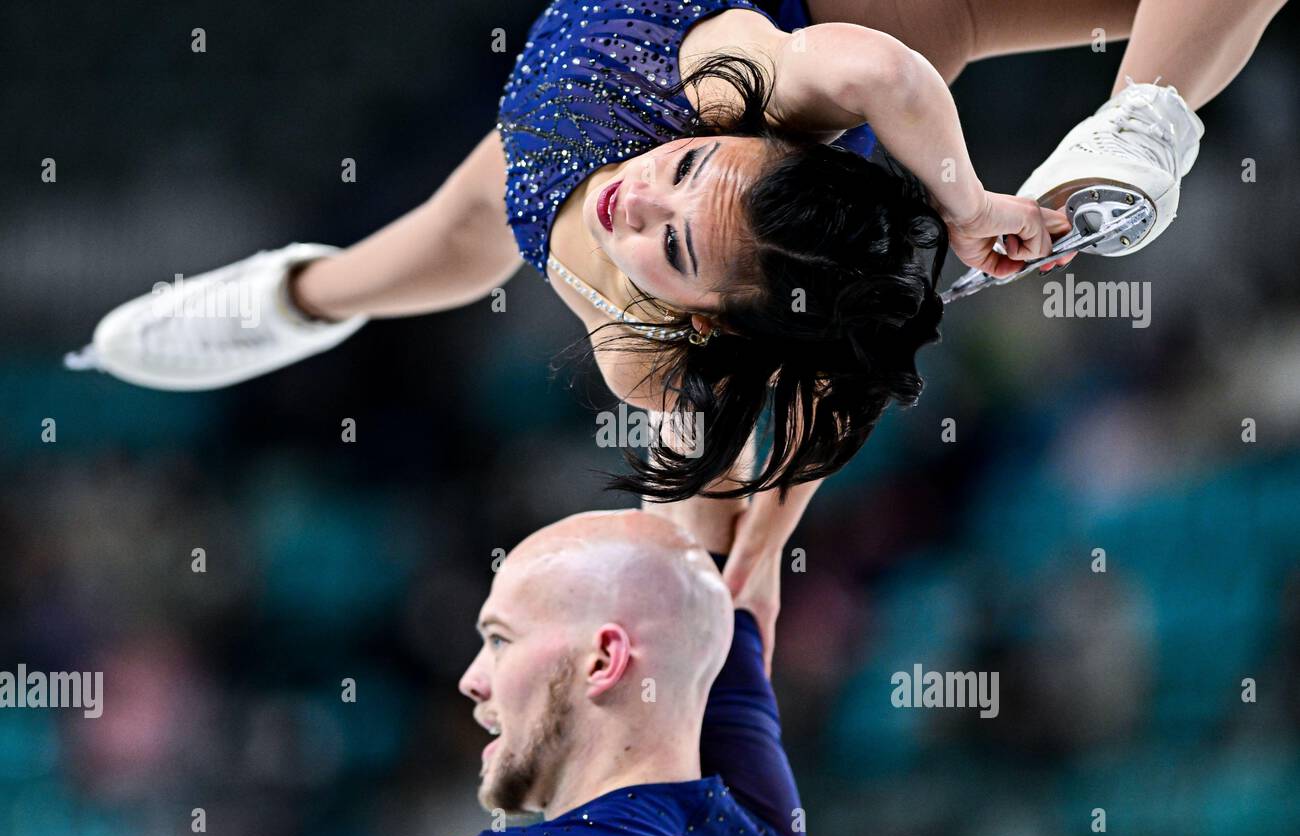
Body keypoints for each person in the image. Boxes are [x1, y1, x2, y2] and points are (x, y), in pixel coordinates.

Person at [69, 0, 1286, 507]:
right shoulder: (725, 80)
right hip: (838, 10)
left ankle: (297, 295)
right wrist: (965, 206)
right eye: (687, 184)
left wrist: (734, 578)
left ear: (690, 320)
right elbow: (875, 71)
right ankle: (1146, 119)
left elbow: (718, 470)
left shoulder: (637, 352)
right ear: (737, 139)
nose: (633, 205)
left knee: (436, 246)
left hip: (531, 163)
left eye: (666, 249)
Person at [423, 489, 803, 836]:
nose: (470, 680)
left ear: (605, 660)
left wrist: (758, 552)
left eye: (499, 639)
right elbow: (687, 599)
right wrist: (759, 551)